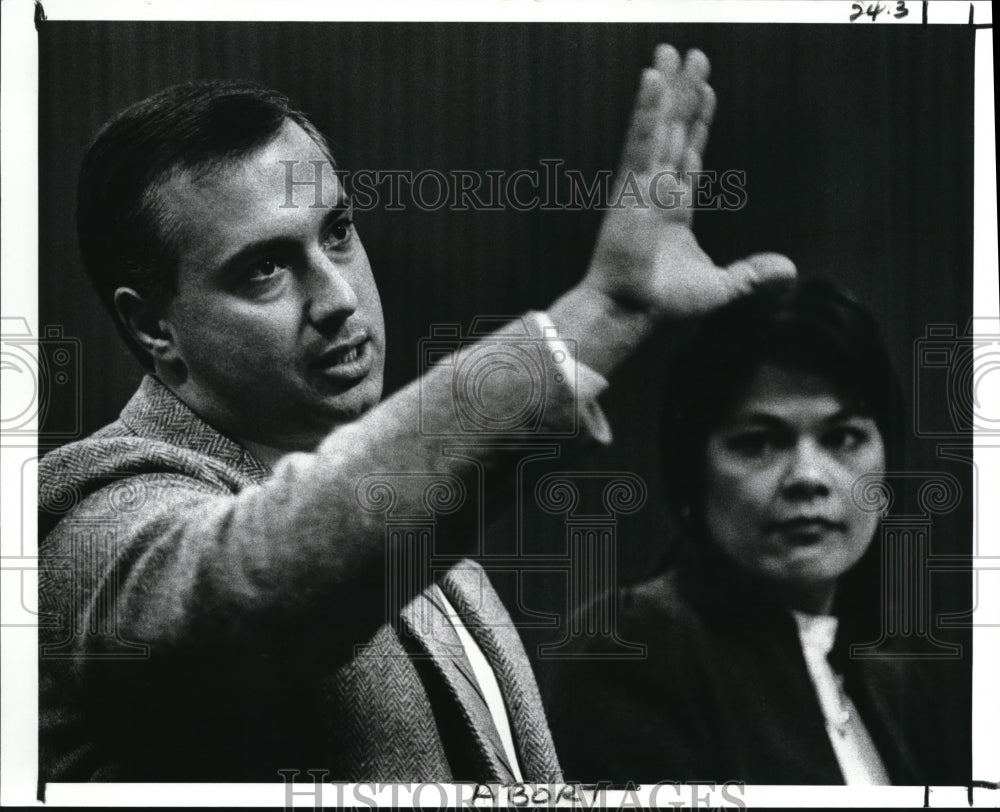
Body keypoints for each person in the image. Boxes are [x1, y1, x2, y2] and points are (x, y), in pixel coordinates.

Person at [38, 46, 795, 782]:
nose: (337, 298)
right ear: (153, 330)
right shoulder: (88, 527)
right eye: (264, 270)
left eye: (337, 233)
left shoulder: (421, 539)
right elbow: (255, 579)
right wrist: (599, 314)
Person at [547, 277, 969, 785]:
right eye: (759, 443)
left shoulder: (895, 674)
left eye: (844, 437)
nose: (808, 478)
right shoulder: (634, 648)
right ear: (691, 473)